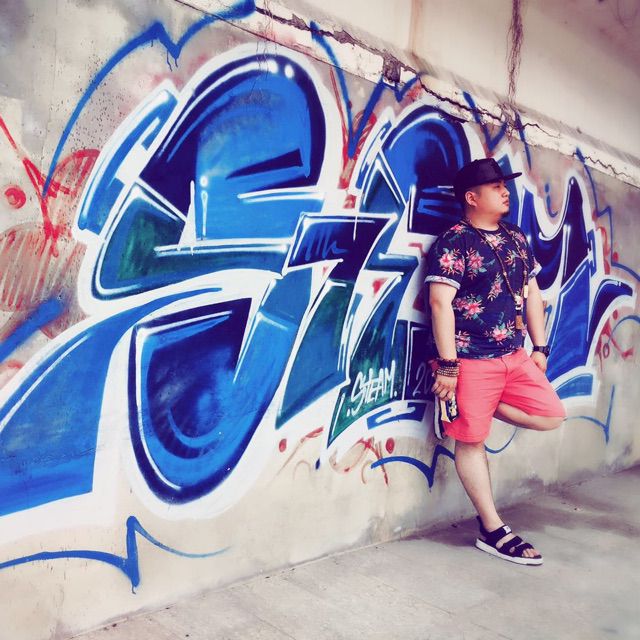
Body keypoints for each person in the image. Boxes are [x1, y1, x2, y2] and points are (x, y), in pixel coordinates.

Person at [424, 158, 566, 566]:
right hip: (470, 359)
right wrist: (449, 366)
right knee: (471, 440)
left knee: (552, 415)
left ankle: (474, 410)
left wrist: (540, 348)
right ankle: (492, 529)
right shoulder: (454, 241)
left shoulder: (515, 236)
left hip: (514, 356)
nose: (505, 191)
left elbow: (532, 293)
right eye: (496, 187)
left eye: (505, 185)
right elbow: (440, 303)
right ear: (472, 198)